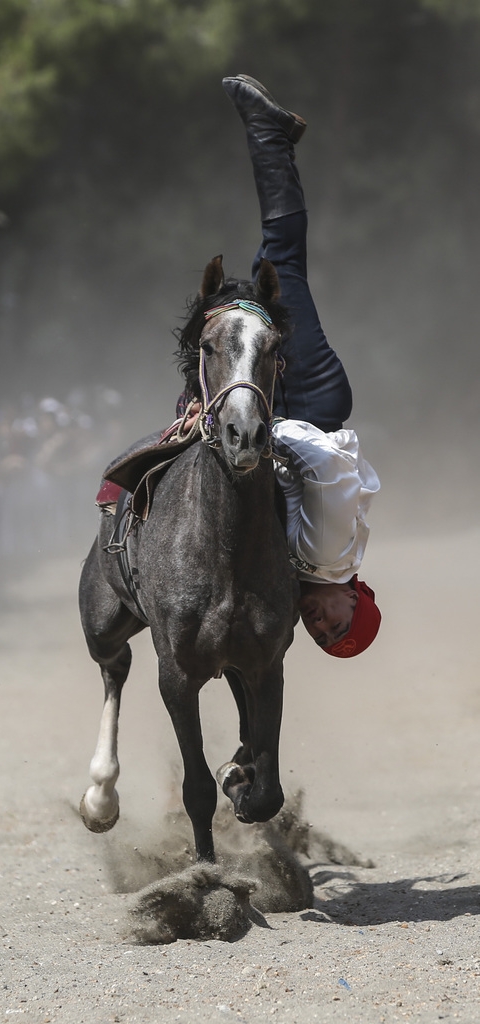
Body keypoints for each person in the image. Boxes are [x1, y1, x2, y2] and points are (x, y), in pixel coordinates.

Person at [221, 74, 381, 658]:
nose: (319, 624)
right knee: (281, 263)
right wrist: (264, 436)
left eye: (319, 636)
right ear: (357, 601)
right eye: (338, 625)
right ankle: (271, 135)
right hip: (310, 406)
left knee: (263, 269)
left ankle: (273, 139)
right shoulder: (331, 557)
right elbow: (330, 468)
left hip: (290, 410)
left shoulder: (304, 572)